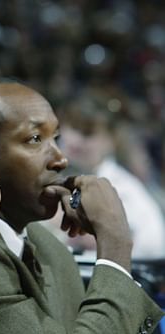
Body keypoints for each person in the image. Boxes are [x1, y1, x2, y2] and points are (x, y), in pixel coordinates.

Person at [0, 78, 164, 333]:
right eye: (35, 138)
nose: (61, 158)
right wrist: (115, 243)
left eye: (56, 138)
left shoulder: (52, 249)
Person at [58, 93, 165, 259]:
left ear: (110, 140)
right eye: (72, 128)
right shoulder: (59, 173)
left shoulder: (120, 187)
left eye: (87, 133)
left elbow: (152, 247)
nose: (75, 140)